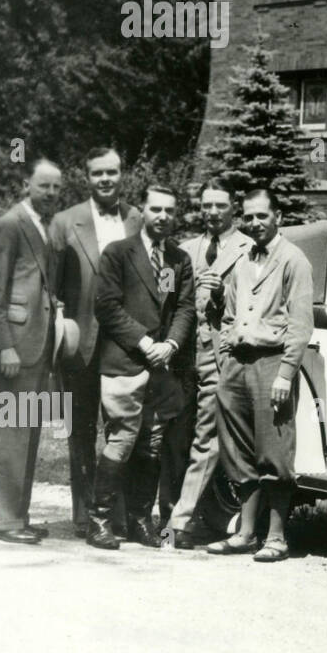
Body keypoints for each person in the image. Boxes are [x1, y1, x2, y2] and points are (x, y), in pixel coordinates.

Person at [88, 184, 194, 550]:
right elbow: (107, 307)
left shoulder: (179, 259)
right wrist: (146, 343)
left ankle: (138, 520)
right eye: (155, 209)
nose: (162, 217)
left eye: (169, 210)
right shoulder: (118, 253)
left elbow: (185, 308)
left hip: (162, 367)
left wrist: (172, 345)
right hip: (125, 363)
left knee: (152, 443)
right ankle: (99, 521)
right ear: (143, 211)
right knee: (121, 440)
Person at [209, 189, 313, 563]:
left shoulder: (293, 260)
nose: (254, 223)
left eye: (262, 217)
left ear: (278, 217)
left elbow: (301, 324)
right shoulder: (241, 260)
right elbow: (227, 316)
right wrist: (225, 359)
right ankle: (245, 533)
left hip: (272, 364)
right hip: (237, 363)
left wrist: (286, 373)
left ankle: (277, 538)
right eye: (248, 217)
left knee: (274, 451)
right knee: (237, 449)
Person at [50, 148, 141, 535]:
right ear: (86, 177)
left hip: (126, 343)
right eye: (97, 173)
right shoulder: (66, 222)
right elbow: (50, 284)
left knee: (125, 428)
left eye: (112, 172)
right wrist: (58, 324)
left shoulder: (137, 219)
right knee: (82, 429)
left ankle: (116, 513)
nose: (106, 179)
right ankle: (85, 514)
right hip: (82, 342)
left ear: (123, 175)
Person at [160, 179, 250, 548]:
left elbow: (251, 303)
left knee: (206, 440)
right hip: (182, 359)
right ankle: (169, 514)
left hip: (220, 358)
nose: (213, 212)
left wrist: (220, 293)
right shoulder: (184, 250)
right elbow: (163, 298)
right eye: (207, 205)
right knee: (173, 439)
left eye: (220, 205)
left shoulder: (248, 250)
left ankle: (178, 524)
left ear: (234, 207)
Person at [0, 159, 63, 544]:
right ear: (27, 183)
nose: (50, 193)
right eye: (43, 185)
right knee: (10, 432)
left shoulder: (43, 226)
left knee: (26, 432)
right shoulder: (10, 224)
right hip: (15, 346)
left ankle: (18, 516)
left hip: (37, 343)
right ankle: (1, 521)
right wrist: (4, 347)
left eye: (56, 188)